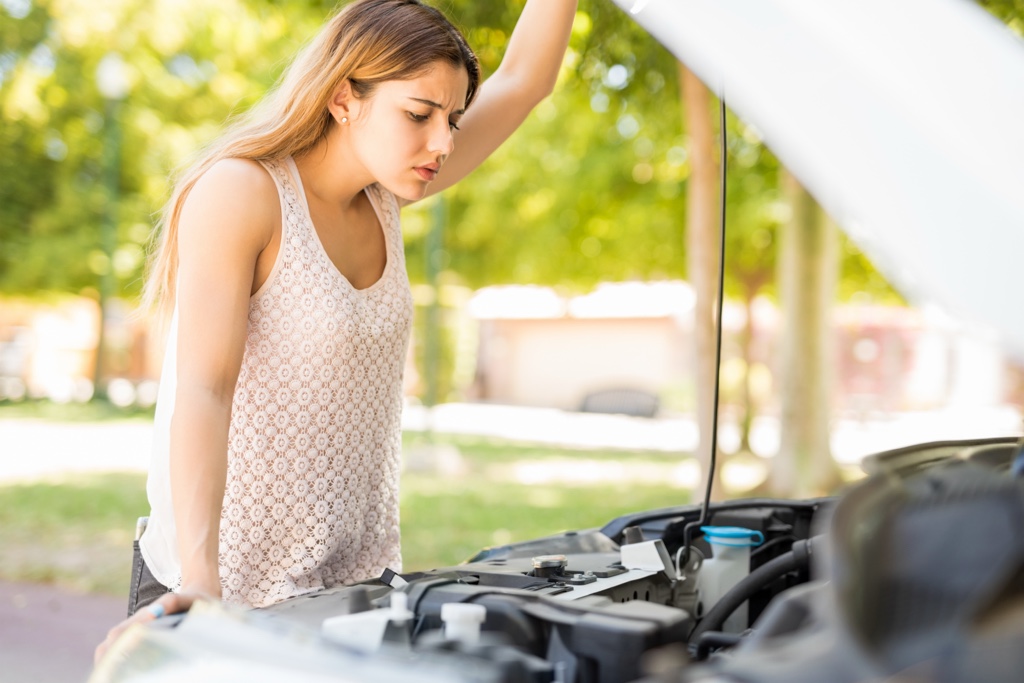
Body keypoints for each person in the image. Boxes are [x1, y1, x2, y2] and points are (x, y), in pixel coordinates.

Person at [95, 0, 577, 661]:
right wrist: (201, 577)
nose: (444, 141)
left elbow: (524, 78)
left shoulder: (385, 196)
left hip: (353, 592)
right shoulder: (242, 193)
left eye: (453, 118)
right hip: (226, 589)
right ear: (345, 97)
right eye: (418, 114)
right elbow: (203, 390)